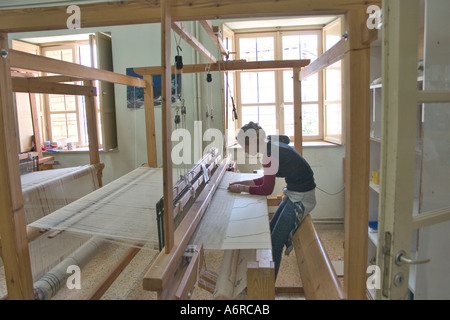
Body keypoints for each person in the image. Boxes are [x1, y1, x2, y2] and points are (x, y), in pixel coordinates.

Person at [227, 121, 316, 278]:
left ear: (253, 143)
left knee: (275, 242)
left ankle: (266, 289)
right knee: (270, 229)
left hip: (302, 198)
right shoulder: (270, 146)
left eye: (244, 146)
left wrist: (241, 189)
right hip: (294, 192)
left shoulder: (269, 155)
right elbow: (265, 179)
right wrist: (242, 183)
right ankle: (264, 281)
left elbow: (266, 189)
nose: (244, 150)